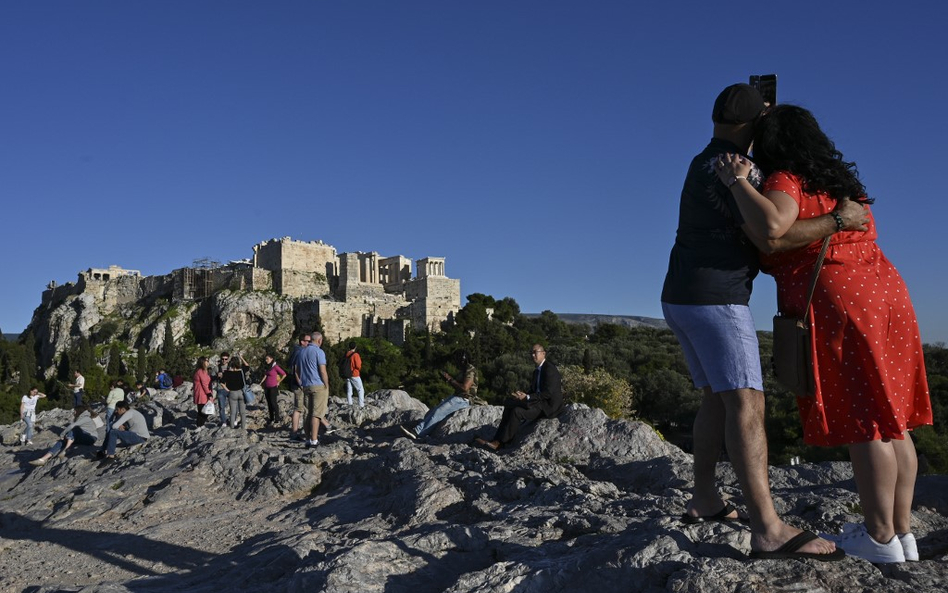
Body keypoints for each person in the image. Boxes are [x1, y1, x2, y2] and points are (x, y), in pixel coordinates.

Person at [713, 103, 933, 563]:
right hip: (889, 291)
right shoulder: (841, 184)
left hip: (844, 299)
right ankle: (902, 535)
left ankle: (877, 537)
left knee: (865, 419)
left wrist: (737, 183)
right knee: (894, 419)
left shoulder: (786, 180)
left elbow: (773, 227)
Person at [659, 83, 867, 561]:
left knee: (717, 396)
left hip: (680, 295)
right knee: (748, 404)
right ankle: (768, 528)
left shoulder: (701, 160)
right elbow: (773, 237)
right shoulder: (741, 169)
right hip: (718, 300)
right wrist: (840, 220)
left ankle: (706, 499)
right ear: (753, 127)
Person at [475, 345, 562, 450]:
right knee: (509, 403)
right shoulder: (537, 371)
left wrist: (528, 397)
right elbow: (534, 390)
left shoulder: (549, 369)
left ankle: (502, 443)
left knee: (517, 411)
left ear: (543, 353)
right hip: (537, 402)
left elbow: (548, 393)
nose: (533, 355)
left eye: (535, 352)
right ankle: (496, 439)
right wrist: (522, 395)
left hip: (547, 407)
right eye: (531, 352)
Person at [401, 350, 478, 440]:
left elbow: (465, 388)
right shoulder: (464, 370)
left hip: (464, 399)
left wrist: (449, 379)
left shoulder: (470, 370)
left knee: (439, 412)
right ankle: (420, 428)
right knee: (435, 410)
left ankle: (417, 432)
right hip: (458, 396)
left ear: (462, 360)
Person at [28, 405, 99, 466]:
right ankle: (43, 459)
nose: (73, 412)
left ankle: (65, 450)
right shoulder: (79, 418)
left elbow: (72, 426)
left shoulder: (86, 418)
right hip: (82, 437)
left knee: (75, 429)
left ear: (78, 411)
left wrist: (62, 434)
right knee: (61, 442)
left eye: (74, 410)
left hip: (91, 438)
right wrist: (65, 437)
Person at [295, 331, 330, 447]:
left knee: (307, 413)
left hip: (305, 385)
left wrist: (302, 382)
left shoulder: (301, 352)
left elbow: (298, 371)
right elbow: (322, 371)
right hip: (318, 385)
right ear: (319, 340)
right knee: (316, 414)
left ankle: (307, 439)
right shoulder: (319, 352)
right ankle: (314, 440)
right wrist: (327, 385)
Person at [222, 357, 250, 430]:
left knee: (232, 412)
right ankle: (243, 427)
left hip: (232, 393)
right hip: (241, 392)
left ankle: (232, 427)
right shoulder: (241, 371)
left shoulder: (227, 372)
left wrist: (227, 390)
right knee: (242, 412)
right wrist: (241, 357)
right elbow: (247, 365)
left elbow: (222, 383)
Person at [260, 353, 287, 425]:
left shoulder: (275, 367)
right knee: (269, 403)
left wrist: (279, 382)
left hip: (273, 387)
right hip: (267, 387)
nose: (266, 360)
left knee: (273, 402)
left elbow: (284, 374)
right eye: (266, 359)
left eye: (267, 359)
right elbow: (266, 375)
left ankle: (277, 418)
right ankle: (271, 417)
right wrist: (261, 383)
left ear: (271, 359)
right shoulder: (269, 367)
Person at [193, 356, 214, 429]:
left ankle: (201, 425)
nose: (208, 362)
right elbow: (205, 384)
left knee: (204, 410)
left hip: (202, 393)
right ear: (202, 362)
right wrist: (209, 394)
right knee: (203, 411)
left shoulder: (201, 371)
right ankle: (199, 425)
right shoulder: (201, 372)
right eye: (206, 361)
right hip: (202, 394)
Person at [343, 342, 365, 409]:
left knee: (349, 390)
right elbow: (358, 365)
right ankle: (361, 405)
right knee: (360, 389)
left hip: (347, 374)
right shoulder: (355, 355)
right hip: (354, 374)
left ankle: (350, 403)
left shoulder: (346, 354)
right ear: (355, 347)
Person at [213, 353, 231, 427]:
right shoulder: (216, 368)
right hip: (220, 389)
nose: (224, 360)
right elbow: (212, 378)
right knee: (221, 407)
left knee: (233, 406)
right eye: (222, 359)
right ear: (220, 359)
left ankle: (232, 420)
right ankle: (223, 421)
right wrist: (217, 376)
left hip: (230, 389)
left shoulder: (230, 367)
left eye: (226, 359)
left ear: (228, 359)